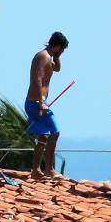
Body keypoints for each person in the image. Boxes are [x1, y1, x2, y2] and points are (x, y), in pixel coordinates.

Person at [25, 31, 68, 179]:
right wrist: (41, 102)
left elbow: (57, 68)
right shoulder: (43, 56)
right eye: (62, 49)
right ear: (57, 46)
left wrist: (57, 56)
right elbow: (37, 78)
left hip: (38, 102)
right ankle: (48, 169)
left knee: (43, 136)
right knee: (55, 132)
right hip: (36, 102)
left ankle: (36, 170)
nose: (62, 51)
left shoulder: (50, 57)